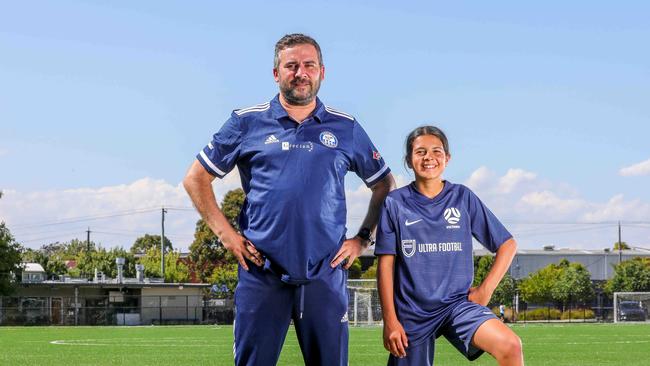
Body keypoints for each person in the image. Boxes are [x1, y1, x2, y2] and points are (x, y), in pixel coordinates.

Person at [183, 33, 395, 366]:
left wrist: (362, 239)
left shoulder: (346, 127)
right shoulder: (245, 121)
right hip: (261, 273)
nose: (301, 73)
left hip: (326, 272)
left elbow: (384, 184)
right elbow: (196, 178)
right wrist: (227, 236)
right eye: (291, 65)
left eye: (309, 65)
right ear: (276, 73)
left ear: (322, 72)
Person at [375, 126, 523, 366]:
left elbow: (507, 244)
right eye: (420, 152)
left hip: (457, 305)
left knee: (510, 346)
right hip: (413, 313)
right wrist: (390, 320)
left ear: (447, 158)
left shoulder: (462, 197)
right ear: (409, 161)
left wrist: (485, 290)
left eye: (436, 151)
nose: (428, 157)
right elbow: (385, 267)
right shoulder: (395, 203)